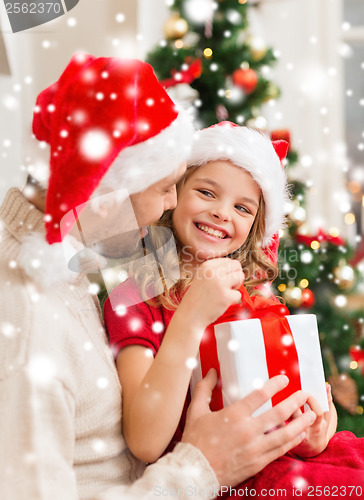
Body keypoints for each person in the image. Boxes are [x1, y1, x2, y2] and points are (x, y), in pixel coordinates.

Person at [0, 54, 315, 500]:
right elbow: (144, 441)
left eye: (244, 207)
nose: (170, 205)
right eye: (169, 187)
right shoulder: (33, 324)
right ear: (108, 193)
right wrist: (203, 467)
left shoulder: (65, 271)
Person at [104, 122, 364, 498]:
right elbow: (145, 441)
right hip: (214, 477)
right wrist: (192, 314)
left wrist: (312, 431)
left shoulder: (255, 300)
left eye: (243, 207)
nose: (222, 213)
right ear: (173, 193)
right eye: (206, 192)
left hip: (283, 462)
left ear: (255, 227)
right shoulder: (133, 300)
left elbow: (294, 402)